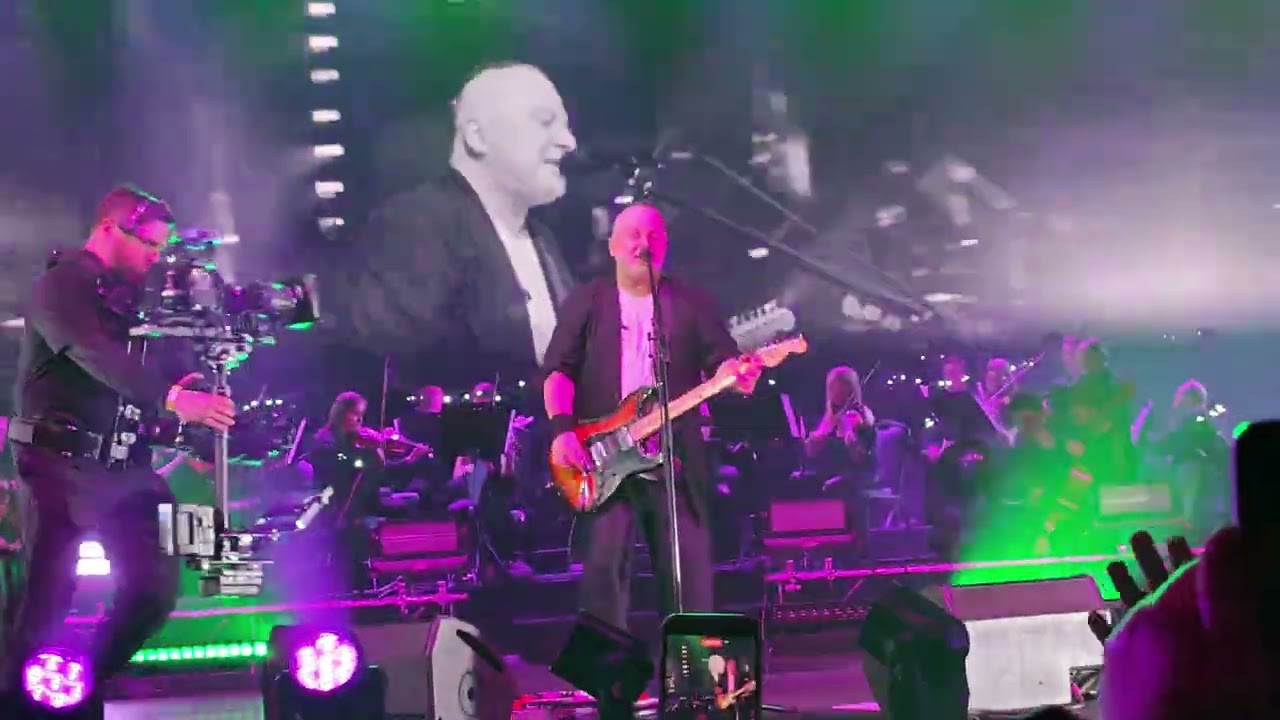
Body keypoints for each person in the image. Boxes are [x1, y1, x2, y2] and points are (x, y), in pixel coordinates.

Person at [0, 186, 236, 702]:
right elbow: (92, 352)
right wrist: (174, 398)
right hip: (56, 465)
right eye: (148, 244)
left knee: (156, 590)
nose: (155, 257)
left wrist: (194, 382)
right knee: (43, 605)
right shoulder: (60, 284)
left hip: (125, 468)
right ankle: (23, 701)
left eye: (160, 248)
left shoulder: (132, 299)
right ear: (109, 229)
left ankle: (77, 682)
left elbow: (147, 370)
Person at [542, 204, 762, 635]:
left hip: (675, 457)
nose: (644, 244)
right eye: (634, 235)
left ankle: (689, 673)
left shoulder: (691, 302)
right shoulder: (587, 300)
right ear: (612, 245)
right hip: (605, 457)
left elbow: (722, 362)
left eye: (654, 236)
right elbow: (558, 372)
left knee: (689, 579)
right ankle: (608, 675)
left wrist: (739, 377)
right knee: (603, 578)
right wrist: (561, 431)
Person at [331, 62, 579, 383]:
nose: (568, 142)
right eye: (545, 122)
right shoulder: (417, 225)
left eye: (566, 126)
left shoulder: (542, 237)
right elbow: (401, 370)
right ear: (478, 137)